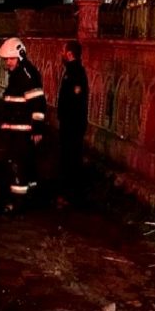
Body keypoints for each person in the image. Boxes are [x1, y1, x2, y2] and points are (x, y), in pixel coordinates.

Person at [0, 37, 46, 211]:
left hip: (22, 132)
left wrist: (37, 129)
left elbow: (38, 104)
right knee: (26, 166)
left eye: (11, 59)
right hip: (17, 130)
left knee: (17, 165)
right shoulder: (18, 74)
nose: (8, 63)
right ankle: (29, 198)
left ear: (20, 56)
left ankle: (17, 203)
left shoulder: (26, 75)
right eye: (6, 59)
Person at [56, 39, 89, 208]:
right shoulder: (70, 71)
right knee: (67, 159)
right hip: (69, 124)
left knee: (71, 160)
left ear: (69, 54)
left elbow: (75, 102)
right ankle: (68, 194)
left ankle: (71, 196)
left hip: (72, 126)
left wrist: (68, 121)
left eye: (63, 51)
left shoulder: (76, 73)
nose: (61, 54)